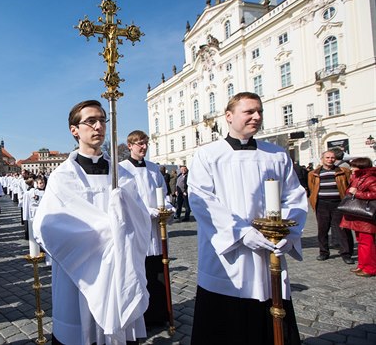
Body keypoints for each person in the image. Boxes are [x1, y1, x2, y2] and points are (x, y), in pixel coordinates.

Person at [188, 92, 307, 345]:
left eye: (260, 111)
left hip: (269, 251)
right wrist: (241, 233)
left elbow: (295, 196)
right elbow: (201, 200)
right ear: (229, 117)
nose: (256, 116)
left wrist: (288, 233)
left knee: (271, 308)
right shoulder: (208, 154)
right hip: (227, 253)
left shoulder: (276, 155)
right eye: (249, 111)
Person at [33, 100, 150, 344]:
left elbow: (141, 219)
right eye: (91, 121)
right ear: (74, 130)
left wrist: (126, 218)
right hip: (78, 271)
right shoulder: (62, 177)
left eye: (102, 120)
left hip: (120, 264)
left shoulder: (122, 174)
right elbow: (47, 225)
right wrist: (111, 230)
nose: (99, 126)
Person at [119, 130, 175, 328]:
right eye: (139, 144)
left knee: (159, 272)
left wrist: (167, 207)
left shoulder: (153, 169)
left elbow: (164, 194)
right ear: (130, 146)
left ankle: (161, 313)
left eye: (145, 143)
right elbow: (125, 201)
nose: (143, 147)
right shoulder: (122, 169)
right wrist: (147, 211)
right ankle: (142, 317)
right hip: (137, 230)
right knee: (142, 275)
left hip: (157, 229)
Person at [307, 150, 354, 264]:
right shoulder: (313, 173)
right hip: (322, 204)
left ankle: (346, 253)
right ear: (322, 159)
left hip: (339, 203)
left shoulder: (343, 171)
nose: (330, 160)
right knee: (322, 229)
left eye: (332, 157)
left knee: (342, 229)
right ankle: (323, 252)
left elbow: (349, 184)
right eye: (327, 157)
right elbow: (312, 188)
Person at [339, 158, 376, 277]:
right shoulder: (357, 177)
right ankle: (362, 265)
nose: (351, 168)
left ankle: (370, 268)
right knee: (361, 242)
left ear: (361, 167)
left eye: (353, 166)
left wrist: (357, 193)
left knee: (367, 243)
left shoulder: (370, 178)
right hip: (357, 215)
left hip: (365, 216)